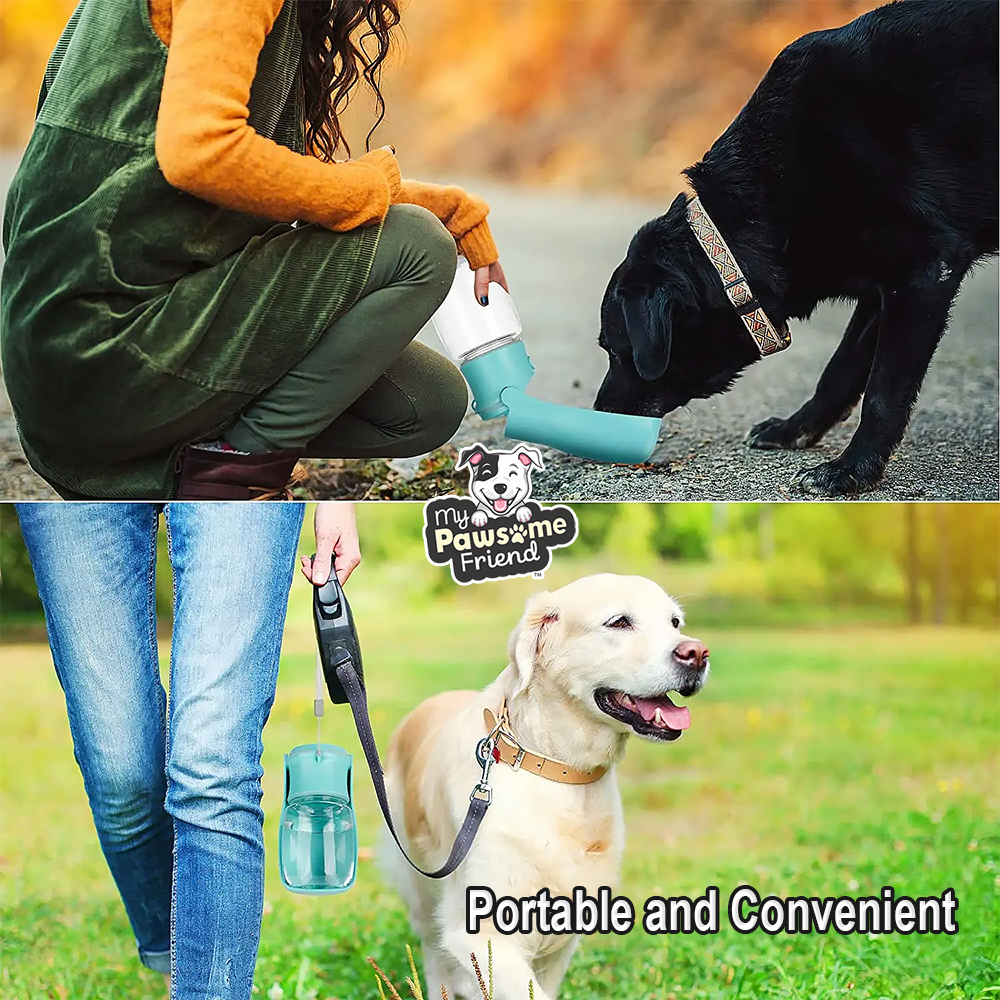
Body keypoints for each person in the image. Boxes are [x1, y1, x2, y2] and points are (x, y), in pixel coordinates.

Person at [1, 0, 508, 501]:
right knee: (415, 245)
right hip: (106, 351)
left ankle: (166, 470)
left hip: (70, 372)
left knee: (425, 403)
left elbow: (276, 180)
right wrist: (374, 194)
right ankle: (231, 476)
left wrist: (452, 209)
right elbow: (203, 151)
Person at [14, 500, 359, 998]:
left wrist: (336, 499)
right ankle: (179, 943)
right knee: (120, 771)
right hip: (86, 460)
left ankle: (204, 979)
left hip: (237, 461)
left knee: (213, 763)